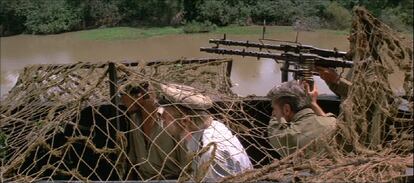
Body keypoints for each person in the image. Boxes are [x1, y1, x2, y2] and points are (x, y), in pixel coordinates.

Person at [155, 83, 253, 182]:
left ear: (184, 121)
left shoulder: (211, 153)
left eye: (165, 118)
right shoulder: (211, 128)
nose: (161, 120)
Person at [120, 81, 189, 180]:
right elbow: (133, 162)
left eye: (122, 95)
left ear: (140, 96)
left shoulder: (171, 120)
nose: (122, 101)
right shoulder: (134, 120)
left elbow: (186, 165)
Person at [267, 80, 337, 158]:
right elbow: (324, 118)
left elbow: (273, 128)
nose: (274, 112)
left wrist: (275, 115)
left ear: (286, 109)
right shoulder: (333, 122)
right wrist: (313, 103)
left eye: (274, 109)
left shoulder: (287, 136)